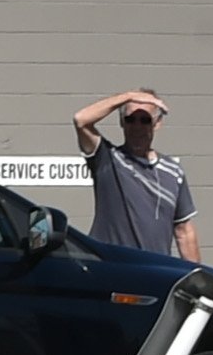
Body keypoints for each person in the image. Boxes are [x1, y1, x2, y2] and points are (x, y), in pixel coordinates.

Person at [71, 89, 200, 263]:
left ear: (157, 123)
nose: (137, 127)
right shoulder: (109, 159)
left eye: (145, 120)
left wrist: (197, 280)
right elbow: (81, 120)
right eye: (130, 119)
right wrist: (128, 96)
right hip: (111, 268)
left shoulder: (173, 172)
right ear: (122, 123)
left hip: (153, 272)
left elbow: (184, 231)